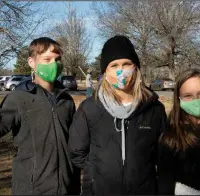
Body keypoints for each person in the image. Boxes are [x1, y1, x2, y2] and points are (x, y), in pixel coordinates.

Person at [0, 37, 80, 195]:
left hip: (67, 189)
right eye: (47, 60)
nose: (54, 65)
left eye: (57, 60)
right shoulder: (18, 99)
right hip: (32, 190)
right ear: (31, 62)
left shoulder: (66, 101)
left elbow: (74, 146)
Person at [68, 35, 167, 195]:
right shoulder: (90, 108)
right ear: (105, 72)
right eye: (114, 65)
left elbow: (163, 154)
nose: (121, 70)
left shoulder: (154, 109)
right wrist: (98, 175)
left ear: (136, 68)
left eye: (126, 64)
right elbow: (76, 152)